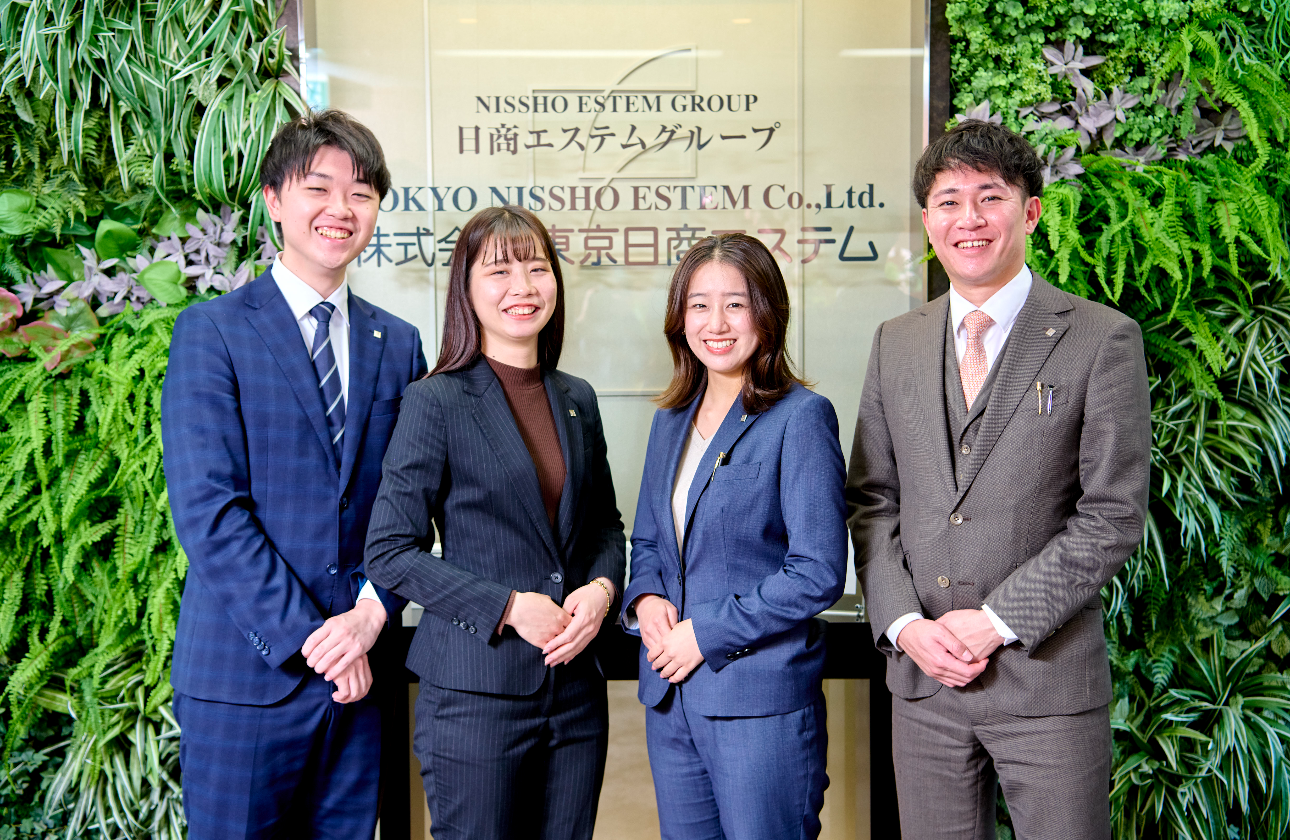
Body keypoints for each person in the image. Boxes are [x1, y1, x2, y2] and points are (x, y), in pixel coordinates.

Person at [847, 119, 1151, 839]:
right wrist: (904, 626)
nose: (970, 219)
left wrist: (995, 622)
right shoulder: (896, 342)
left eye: (990, 197)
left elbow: (1112, 514)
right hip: (924, 684)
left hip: (1046, 682)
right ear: (928, 222)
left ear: (1031, 211)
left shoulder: (1101, 338)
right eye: (948, 202)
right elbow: (872, 500)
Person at [161, 110, 427, 839]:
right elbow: (210, 512)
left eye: (362, 193)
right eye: (319, 188)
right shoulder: (212, 332)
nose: (342, 209)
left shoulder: (398, 343)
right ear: (275, 200)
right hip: (249, 679)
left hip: (361, 679)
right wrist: (320, 643)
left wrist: (370, 617)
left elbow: (408, 505)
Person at [363, 205, 626, 840]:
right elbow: (390, 550)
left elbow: (603, 525)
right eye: (499, 271)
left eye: (537, 268)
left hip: (576, 694)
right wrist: (507, 607)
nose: (522, 287)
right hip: (474, 695)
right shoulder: (436, 399)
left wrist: (601, 590)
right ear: (467, 288)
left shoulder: (577, 397)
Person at [621, 233, 848, 840]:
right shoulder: (670, 420)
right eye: (699, 305)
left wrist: (706, 632)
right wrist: (647, 598)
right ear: (680, 318)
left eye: (736, 304)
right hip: (672, 700)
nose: (715, 323)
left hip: (759, 704)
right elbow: (650, 543)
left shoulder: (800, 417)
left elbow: (818, 571)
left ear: (767, 313)